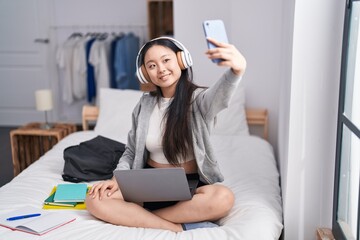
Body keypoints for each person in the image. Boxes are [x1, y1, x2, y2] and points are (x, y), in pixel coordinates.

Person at [86, 36, 247, 232]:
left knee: (223, 198)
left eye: (166, 60)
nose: (161, 69)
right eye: (152, 65)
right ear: (145, 73)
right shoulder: (144, 105)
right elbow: (130, 151)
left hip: (190, 184)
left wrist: (236, 71)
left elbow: (221, 95)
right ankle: (177, 227)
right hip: (147, 181)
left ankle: (141, 217)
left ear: (182, 60)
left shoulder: (200, 100)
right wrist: (115, 180)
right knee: (94, 199)